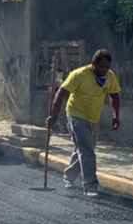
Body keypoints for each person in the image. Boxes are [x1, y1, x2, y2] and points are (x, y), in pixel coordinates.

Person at [47, 49, 121, 195]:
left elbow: (114, 95)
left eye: (107, 67)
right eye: (101, 66)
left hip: (93, 118)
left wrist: (115, 116)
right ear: (93, 64)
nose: (104, 70)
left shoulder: (110, 76)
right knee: (87, 151)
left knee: (83, 149)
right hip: (76, 115)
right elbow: (61, 93)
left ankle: (68, 176)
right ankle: (90, 186)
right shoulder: (79, 75)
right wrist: (53, 117)